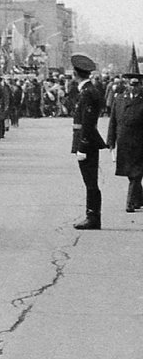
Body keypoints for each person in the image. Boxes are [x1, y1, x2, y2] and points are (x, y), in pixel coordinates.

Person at [70, 53, 108, 230]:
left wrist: (82, 146)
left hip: (87, 142)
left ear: (75, 73)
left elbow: (87, 123)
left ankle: (92, 217)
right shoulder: (88, 91)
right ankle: (92, 215)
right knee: (90, 180)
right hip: (86, 140)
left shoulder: (87, 93)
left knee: (90, 181)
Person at [107, 71, 143, 213]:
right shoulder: (120, 99)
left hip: (139, 142)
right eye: (130, 84)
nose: (133, 87)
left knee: (136, 172)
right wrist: (111, 141)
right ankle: (139, 197)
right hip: (123, 141)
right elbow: (113, 122)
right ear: (126, 85)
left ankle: (130, 202)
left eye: (136, 84)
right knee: (130, 172)